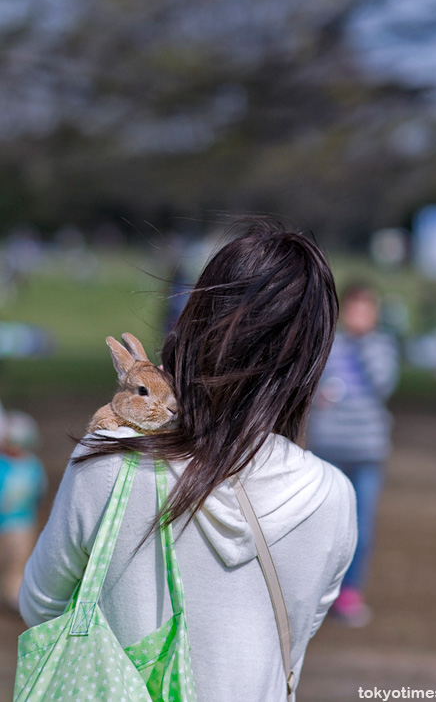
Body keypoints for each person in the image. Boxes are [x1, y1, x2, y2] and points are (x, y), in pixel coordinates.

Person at [19, 218, 357, 702]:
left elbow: (40, 606)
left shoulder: (108, 460)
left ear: (194, 323)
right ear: (309, 359)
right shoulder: (334, 497)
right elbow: (295, 642)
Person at [307, 282, 399, 627]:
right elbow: (310, 387)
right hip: (329, 447)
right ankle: (316, 593)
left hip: (367, 451)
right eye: (355, 308)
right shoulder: (328, 345)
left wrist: (364, 345)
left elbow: (383, 383)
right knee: (322, 526)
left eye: (367, 308)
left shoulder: (382, 347)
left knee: (361, 527)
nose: (361, 315)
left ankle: (350, 593)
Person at [0, 409, 47, 611]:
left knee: (18, 561)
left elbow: (39, 492)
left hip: (23, 523)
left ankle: (13, 594)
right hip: (6, 522)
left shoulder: (33, 465)